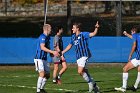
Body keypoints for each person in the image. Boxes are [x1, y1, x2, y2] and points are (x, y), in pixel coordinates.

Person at [62, 21, 100, 93]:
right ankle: (95, 86)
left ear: (78, 28)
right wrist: (63, 52)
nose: (72, 29)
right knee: (85, 72)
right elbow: (70, 45)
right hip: (78, 57)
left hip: (84, 56)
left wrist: (96, 28)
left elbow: (93, 34)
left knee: (80, 71)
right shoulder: (73, 37)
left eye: (73, 28)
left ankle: (90, 84)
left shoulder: (83, 34)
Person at [34, 24, 59, 93]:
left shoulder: (48, 37)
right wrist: (52, 52)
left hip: (44, 59)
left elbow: (47, 47)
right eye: (50, 28)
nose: (51, 30)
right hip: (39, 58)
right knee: (42, 73)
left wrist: (51, 53)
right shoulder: (42, 36)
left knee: (47, 75)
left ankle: (42, 89)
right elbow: (42, 47)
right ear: (47, 29)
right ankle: (38, 91)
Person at [115, 26, 140, 92]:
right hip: (138, 58)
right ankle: (134, 87)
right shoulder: (138, 35)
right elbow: (133, 37)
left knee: (125, 69)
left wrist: (130, 55)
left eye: (131, 32)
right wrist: (126, 34)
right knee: (138, 71)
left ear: (134, 32)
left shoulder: (135, 35)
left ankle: (124, 87)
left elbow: (134, 45)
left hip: (138, 58)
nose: (131, 34)